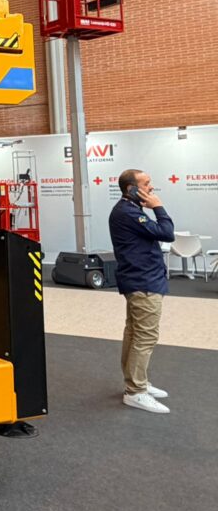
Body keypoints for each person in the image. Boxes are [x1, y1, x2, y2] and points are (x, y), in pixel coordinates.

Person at [109, 169, 176, 414]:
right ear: (131, 189)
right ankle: (135, 391)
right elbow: (167, 233)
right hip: (143, 282)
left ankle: (137, 383)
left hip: (142, 279)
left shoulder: (130, 210)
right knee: (145, 336)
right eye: (146, 184)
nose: (151, 188)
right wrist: (158, 207)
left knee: (134, 333)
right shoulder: (127, 212)